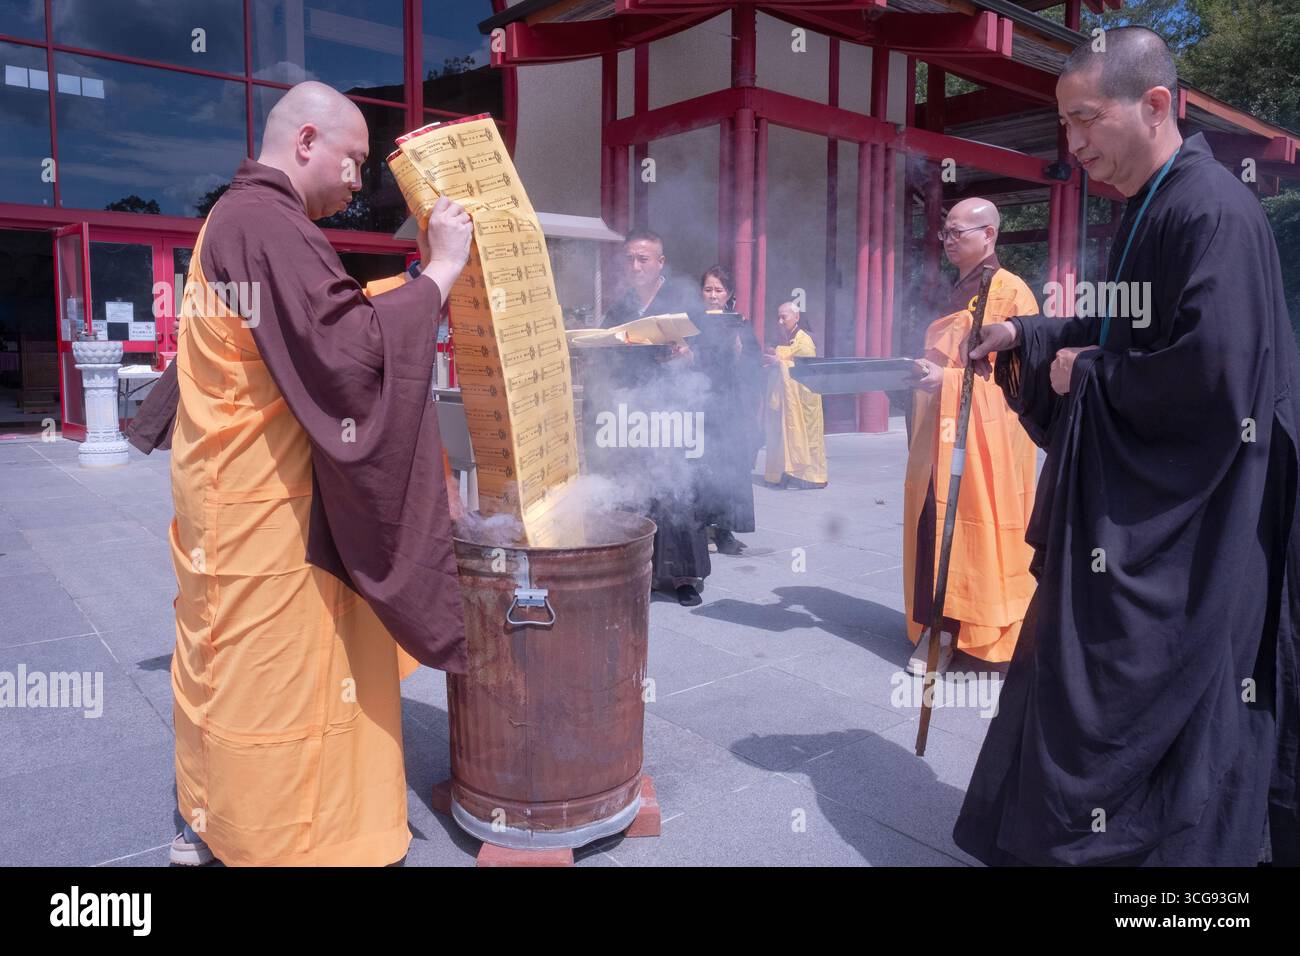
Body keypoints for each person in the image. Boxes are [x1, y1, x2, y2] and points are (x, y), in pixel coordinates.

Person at [955, 27, 1300, 865]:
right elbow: (1124, 325)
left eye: (1083, 119)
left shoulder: (1210, 206)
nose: (1070, 145)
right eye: (1062, 125)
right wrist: (1031, 334)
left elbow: (1212, 375)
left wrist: (1090, 375)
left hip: (1198, 523)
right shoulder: (1156, 201)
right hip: (1148, 507)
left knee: (1146, 700)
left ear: (1153, 105)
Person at [129, 81, 473, 866]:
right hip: (267, 508)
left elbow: (309, 321)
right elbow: (347, 354)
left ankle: (214, 816)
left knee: (223, 665)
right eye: (354, 161)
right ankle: (284, 843)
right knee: (275, 677)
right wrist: (442, 274)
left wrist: (406, 288)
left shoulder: (233, 214)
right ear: (307, 140)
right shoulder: (263, 220)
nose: (359, 182)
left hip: (226, 491)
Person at [903, 198, 1042, 676]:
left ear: (990, 235)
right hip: (937, 433)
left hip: (986, 441)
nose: (947, 241)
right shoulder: (951, 292)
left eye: (957, 233)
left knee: (972, 530)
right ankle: (937, 630)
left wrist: (949, 382)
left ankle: (983, 629)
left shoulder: (1012, 293)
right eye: (944, 233)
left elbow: (1019, 382)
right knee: (933, 525)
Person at [591, 230, 710, 606]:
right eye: (629, 259)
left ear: (661, 262)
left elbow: (714, 348)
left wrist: (691, 356)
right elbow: (607, 354)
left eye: (644, 259)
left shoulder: (683, 300)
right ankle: (638, 569)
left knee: (676, 488)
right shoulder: (621, 306)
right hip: (633, 408)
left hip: (675, 406)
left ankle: (684, 576)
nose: (635, 265)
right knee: (637, 486)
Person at [695, 265, 764, 555]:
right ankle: (704, 532)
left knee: (731, 469)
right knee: (704, 468)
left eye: (719, 290)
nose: (713, 295)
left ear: (729, 294)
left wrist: (740, 351)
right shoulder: (693, 323)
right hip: (701, 404)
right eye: (708, 289)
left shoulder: (740, 324)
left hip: (731, 405)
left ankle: (725, 531)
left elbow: (753, 363)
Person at [762, 302, 828, 489]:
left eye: (785, 317)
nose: (780, 321)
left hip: (804, 399)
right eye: (779, 317)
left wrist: (779, 362)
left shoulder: (804, 340)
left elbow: (803, 368)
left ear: (797, 317)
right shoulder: (787, 338)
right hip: (788, 399)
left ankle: (812, 476)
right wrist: (775, 362)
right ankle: (787, 472)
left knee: (808, 438)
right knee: (784, 435)